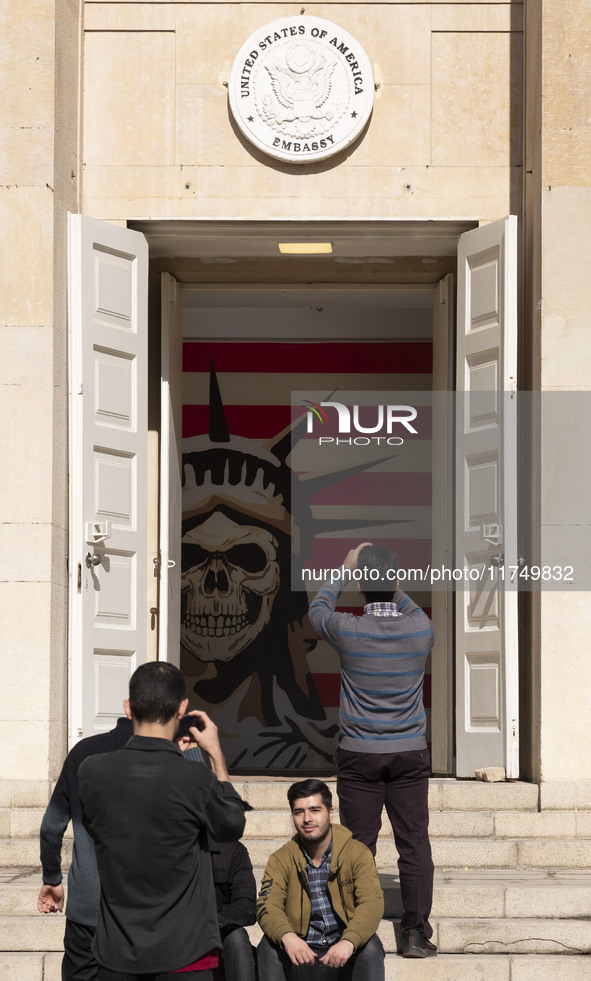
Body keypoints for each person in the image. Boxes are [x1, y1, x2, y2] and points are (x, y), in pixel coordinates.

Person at [78, 661, 249, 981]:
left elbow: (95, 824)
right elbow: (231, 825)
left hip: (118, 951)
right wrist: (216, 758)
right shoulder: (194, 776)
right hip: (184, 952)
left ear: (128, 708)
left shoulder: (92, 771)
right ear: (182, 708)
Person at [308, 543, 436, 958]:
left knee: (358, 845)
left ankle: (353, 931)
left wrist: (346, 569)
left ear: (362, 585)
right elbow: (406, 603)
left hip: (359, 754)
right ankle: (414, 934)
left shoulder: (347, 628)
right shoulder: (421, 629)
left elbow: (318, 608)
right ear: (396, 581)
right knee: (413, 843)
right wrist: (389, 580)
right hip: (409, 754)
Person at [256, 778, 385, 980]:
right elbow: (267, 905)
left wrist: (349, 941)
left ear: (330, 813)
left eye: (315, 810)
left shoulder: (356, 853)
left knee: (371, 947)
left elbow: (372, 903)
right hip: (301, 955)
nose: (307, 818)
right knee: (268, 947)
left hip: (343, 954)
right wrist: (288, 936)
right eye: (299, 812)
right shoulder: (281, 859)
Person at [38, 717, 133, 980]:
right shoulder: (165, 757)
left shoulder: (82, 751)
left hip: (86, 905)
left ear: (128, 707)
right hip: (139, 910)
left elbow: (50, 826)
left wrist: (52, 878)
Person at [209, 835, 256, 981]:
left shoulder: (233, 850)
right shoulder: (168, 850)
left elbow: (246, 906)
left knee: (237, 937)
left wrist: (208, 921)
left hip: (217, 929)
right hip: (176, 930)